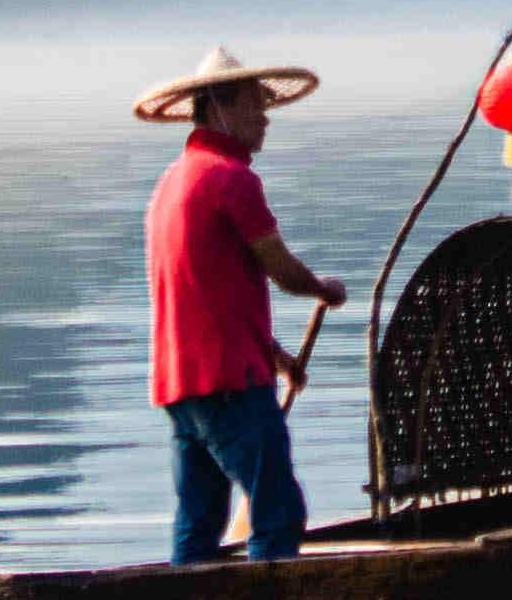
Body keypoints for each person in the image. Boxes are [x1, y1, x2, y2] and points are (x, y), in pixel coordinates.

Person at [133, 44, 353, 564]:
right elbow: (281, 269)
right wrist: (324, 288)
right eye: (255, 106)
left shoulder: (171, 183)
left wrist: (277, 358)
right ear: (220, 108)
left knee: (200, 524)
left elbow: (207, 295)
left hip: (180, 385)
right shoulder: (231, 179)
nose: (264, 119)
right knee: (278, 511)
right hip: (229, 383)